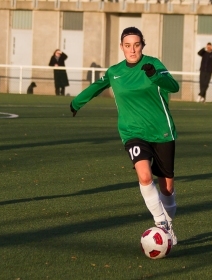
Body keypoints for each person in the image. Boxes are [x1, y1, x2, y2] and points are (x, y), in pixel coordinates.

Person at [69, 27, 180, 243]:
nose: (132, 49)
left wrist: (154, 75)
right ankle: (161, 223)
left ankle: (169, 225)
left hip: (161, 130)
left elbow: (173, 86)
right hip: (132, 132)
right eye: (127, 45)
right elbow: (97, 86)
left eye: (136, 45)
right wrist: (77, 102)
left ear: (142, 46)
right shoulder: (114, 72)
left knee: (167, 188)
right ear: (121, 47)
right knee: (145, 176)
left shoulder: (153, 64)